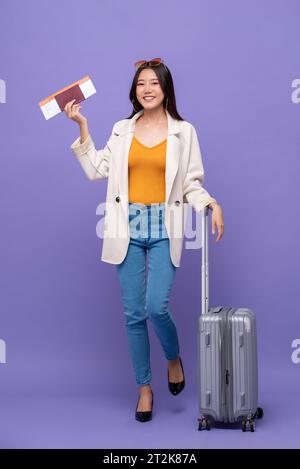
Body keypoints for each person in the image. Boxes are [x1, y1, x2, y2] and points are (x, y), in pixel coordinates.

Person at [64, 58, 224, 423]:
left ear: (165, 89)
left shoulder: (184, 132)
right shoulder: (121, 129)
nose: (147, 89)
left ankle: (173, 358)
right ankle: (145, 390)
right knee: (134, 314)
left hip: (165, 228)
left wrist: (210, 203)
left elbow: (190, 183)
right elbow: (97, 170)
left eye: (154, 83)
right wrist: (83, 127)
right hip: (126, 227)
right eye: (140, 84)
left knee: (156, 307)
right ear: (134, 91)